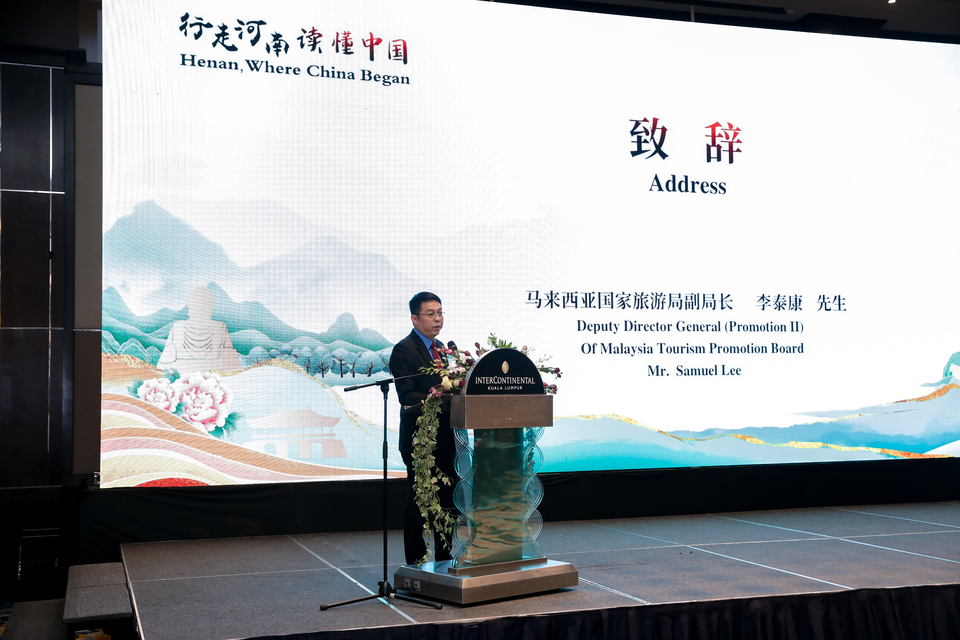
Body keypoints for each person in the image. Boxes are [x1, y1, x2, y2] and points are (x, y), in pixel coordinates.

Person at [388, 291, 458, 565]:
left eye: (440, 313)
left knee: (446, 496)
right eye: (430, 314)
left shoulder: (442, 348)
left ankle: (444, 554)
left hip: (445, 436)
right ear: (415, 319)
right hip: (419, 438)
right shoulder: (404, 350)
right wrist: (441, 396)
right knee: (420, 498)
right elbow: (406, 397)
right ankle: (415, 559)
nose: (437, 318)